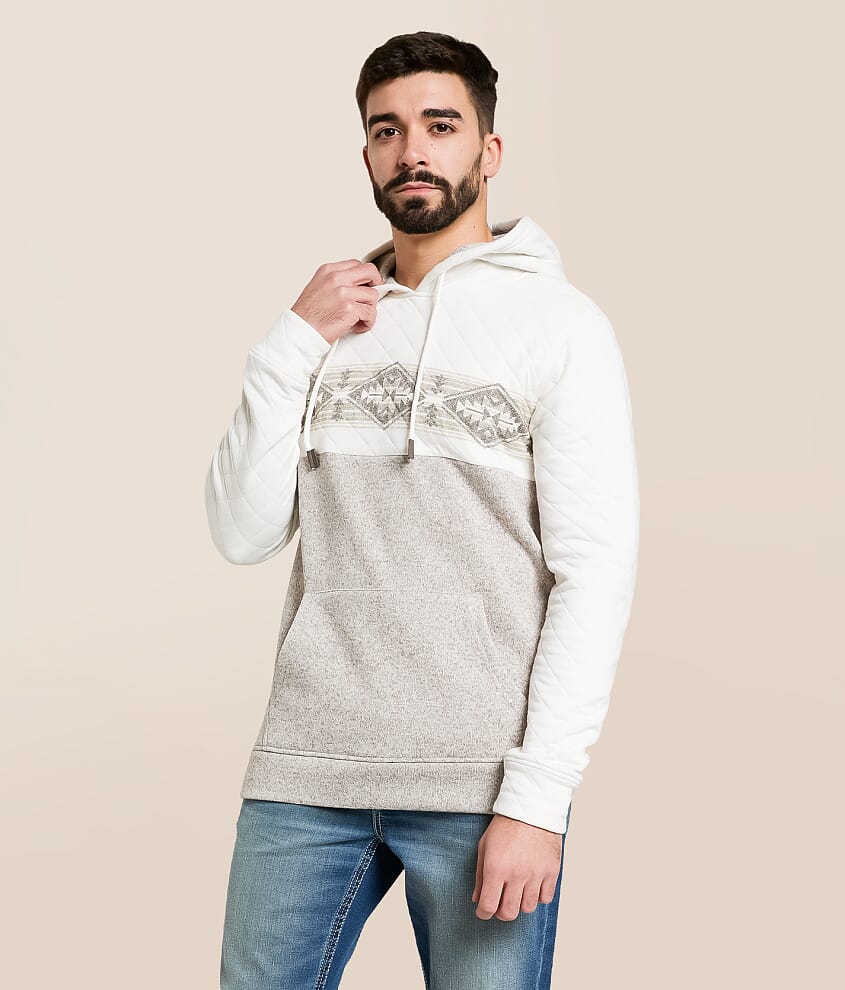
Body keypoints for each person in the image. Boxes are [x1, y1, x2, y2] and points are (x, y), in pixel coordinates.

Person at [205, 30, 640, 990]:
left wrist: (537, 800)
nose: (412, 151)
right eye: (387, 130)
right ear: (365, 154)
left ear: (489, 149)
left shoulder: (562, 327)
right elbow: (240, 532)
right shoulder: (327, 324)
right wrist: (290, 342)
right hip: (305, 771)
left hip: (479, 786)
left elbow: (594, 574)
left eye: (440, 126)